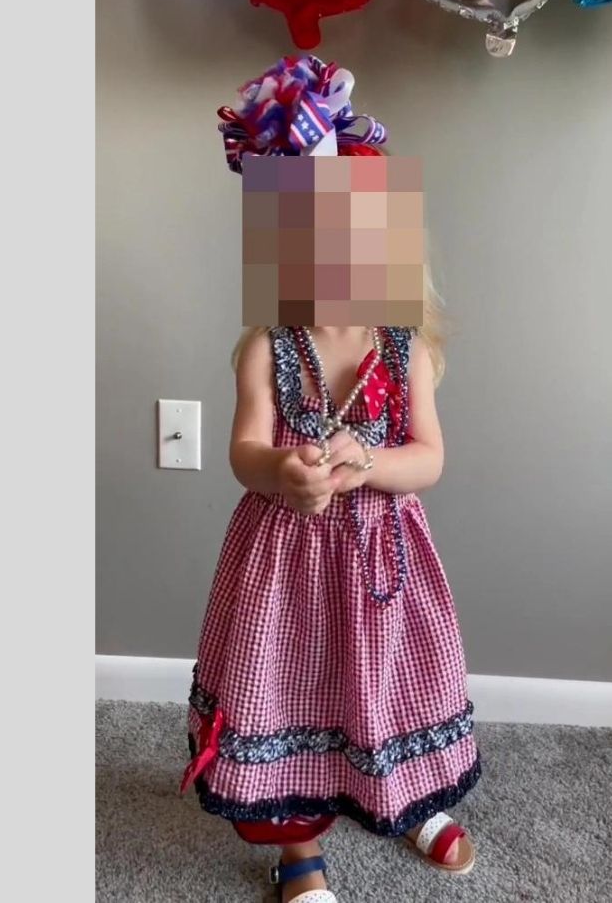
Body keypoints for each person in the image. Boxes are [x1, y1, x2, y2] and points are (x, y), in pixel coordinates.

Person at [180, 57, 480, 903]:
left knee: (388, 689)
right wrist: (281, 468)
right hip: (286, 568)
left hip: (386, 568)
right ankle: (298, 847)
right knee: (289, 695)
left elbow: (429, 457)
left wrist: (370, 464)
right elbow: (243, 450)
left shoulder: (405, 352)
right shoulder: (264, 348)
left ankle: (405, 800)